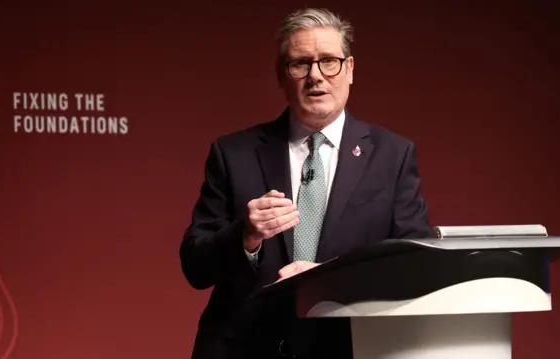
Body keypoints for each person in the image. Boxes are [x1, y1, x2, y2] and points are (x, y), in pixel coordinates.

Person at [180, 7, 433, 359]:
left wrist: (335, 276)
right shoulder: (232, 153)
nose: (316, 76)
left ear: (350, 70)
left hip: (349, 348)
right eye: (300, 64)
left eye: (329, 61)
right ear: (281, 77)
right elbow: (195, 264)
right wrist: (245, 235)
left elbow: (416, 266)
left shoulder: (393, 156)